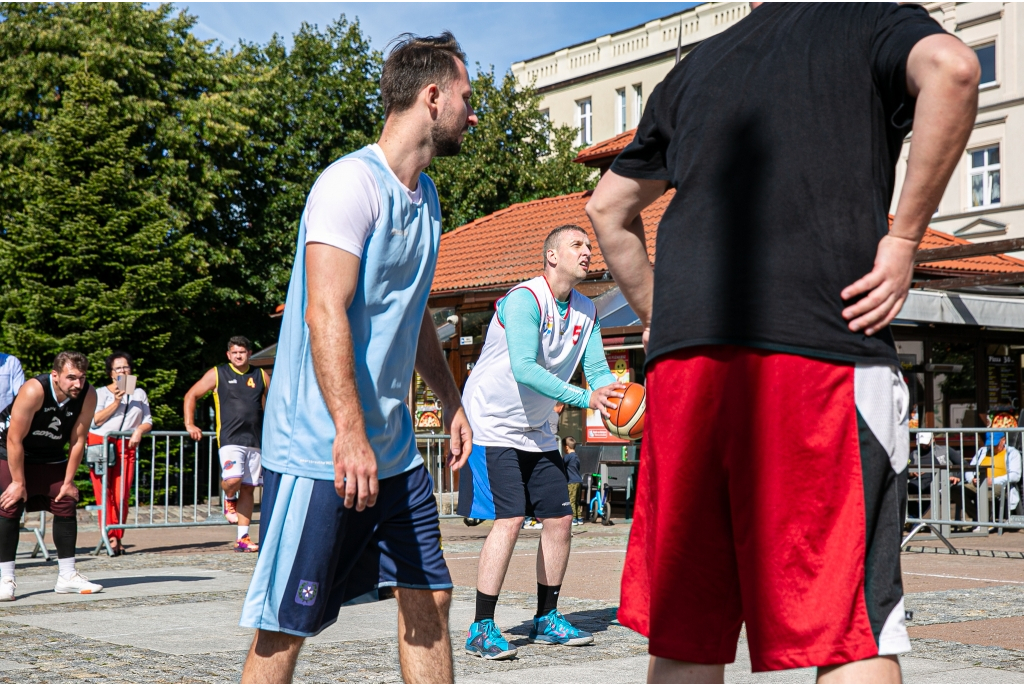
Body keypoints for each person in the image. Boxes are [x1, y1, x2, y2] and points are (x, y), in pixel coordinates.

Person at [586, 4, 980, 682]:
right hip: (816, 347)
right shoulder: (868, 18)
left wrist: (662, 312)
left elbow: (607, 209)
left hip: (688, 370)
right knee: (847, 629)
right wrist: (906, 239)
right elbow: (954, 68)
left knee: (687, 633)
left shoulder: (697, 67)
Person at [238, 32, 476, 685]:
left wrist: (450, 397)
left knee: (430, 595)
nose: (472, 112)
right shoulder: (348, 185)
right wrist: (348, 431)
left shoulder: (425, 200)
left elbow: (412, 309)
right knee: (286, 628)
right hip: (320, 450)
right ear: (432, 97)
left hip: (393, 453)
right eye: (465, 96)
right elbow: (324, 311)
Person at [458, 224, 623, 660]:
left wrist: (614, 397)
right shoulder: (524, 299)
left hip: (536, 429)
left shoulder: (587, 310)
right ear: (552, 256)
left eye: (590, 245)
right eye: (578, 245)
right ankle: (481, 626)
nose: (588, 251)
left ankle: (546, 617)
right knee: (510, 519)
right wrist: (587, 398)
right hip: (492, 422)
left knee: (559, 520)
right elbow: (525, 369)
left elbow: (599, 370)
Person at [0, 351, 101, 601]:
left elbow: (78, 440)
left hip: (49, 455)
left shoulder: (88, 394)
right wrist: (18, 482)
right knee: (10, 502)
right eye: (71, 378)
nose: (77, 384)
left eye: (82, 377)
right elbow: (14, 438)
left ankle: (67, 577)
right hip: (10, 451)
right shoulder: (34, 390)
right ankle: (5, 579)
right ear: (55, 375)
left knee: (66, 499)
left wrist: (67, 482)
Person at [184, 336, 269, 553]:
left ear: (249, 353)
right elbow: (191, 394)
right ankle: (229, 498)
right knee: (233, 480)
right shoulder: (218, 373)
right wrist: (190, 423)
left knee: (249, 488)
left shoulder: (260, 375)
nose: (239, 356)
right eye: (235, 352)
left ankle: (242, 538)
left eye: (243, 352)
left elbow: (271, 405)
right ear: (228, 355)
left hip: (255, 440)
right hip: (230, 439)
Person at [88, 351, 153, 556]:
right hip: (101, 441)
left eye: (126, 367)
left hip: (126, 443)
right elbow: (94, 421)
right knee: (104, 491)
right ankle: (111, 537)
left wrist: (139, 431)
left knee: (122, 492)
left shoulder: (139, 393)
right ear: (111, 373)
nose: (123, 371)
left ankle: (118, 534)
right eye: (118, 368)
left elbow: (148, 420)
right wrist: (116, 402)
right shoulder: (100, 393)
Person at [961, 432, 1022, 522]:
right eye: (990, 444)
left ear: (1003, 440)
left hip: (999, 484)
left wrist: (993, 481)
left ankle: (984, 522)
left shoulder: (1012, 453)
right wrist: (971, 479)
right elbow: (970, 468)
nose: (992, 447)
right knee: (957, 490)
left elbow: (1015, 476)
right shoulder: (982, 451)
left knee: (985, 493)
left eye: (995, 444)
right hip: (978, 482)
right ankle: (981, 519)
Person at [563, 436, 584, 525]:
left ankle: (573, 519)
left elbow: (561, 464)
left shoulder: (568, 457)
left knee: (571, 500)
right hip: (579, 480)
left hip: (571, 481)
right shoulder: (576, 457)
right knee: (577, 501)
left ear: (566, 447)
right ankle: (579, 518)